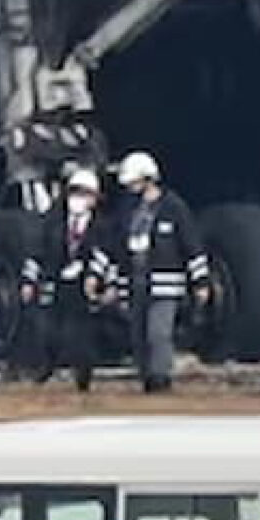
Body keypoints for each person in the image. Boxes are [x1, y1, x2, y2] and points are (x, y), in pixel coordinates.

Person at [114, 150, 210, 393]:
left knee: (158, 332)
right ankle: (146, 377)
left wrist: (201, 282)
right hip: (136, 281)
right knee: (138, 334)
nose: (131, 188)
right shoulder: (127, 209)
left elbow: (191, 246)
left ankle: (160, 378)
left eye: (135, 182)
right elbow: (116, 244)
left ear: (148, 179)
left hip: (166, 283)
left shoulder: (173, 207)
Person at [21, 165, 117, 391]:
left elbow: (105, 254)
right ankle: (45, 367)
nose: (77, 199)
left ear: (94, 198)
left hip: (85, 287)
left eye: (83, 193)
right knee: (48, 329)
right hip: (57, 284)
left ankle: (83, 377)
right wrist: (29, 280)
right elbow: (38, 252)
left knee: (82, 334)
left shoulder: (102, 225)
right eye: (73, 192)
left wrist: (97, 279)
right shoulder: (53, 223)